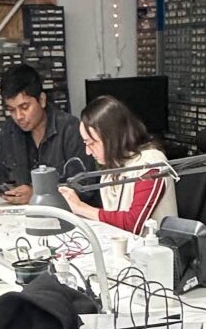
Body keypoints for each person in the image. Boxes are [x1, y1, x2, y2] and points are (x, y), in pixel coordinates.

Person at [0, 63, 85, 205]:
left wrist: (38, 194)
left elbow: (84, 188)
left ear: (42, 100)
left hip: (68, 216)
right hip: (23, 216)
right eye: (12, 110)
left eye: (25, 107)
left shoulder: (70, 129)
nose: (19, 116)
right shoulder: (10, 130)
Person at [62, 94, 177, 233]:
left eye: (91, 143)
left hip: (155, 251)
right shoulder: (111, 170)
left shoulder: (151, 164)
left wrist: (81, 207)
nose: (87, 151)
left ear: (112, 138)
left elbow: (133, 224)